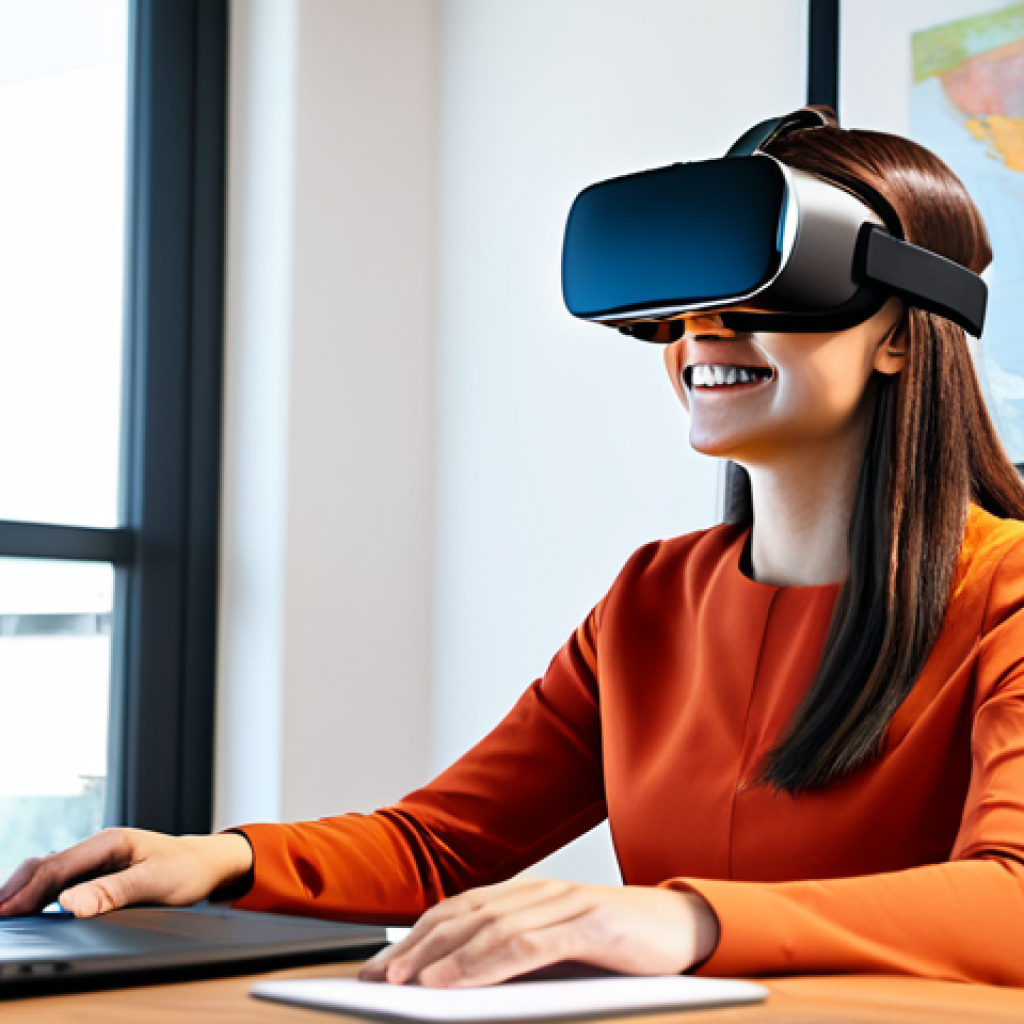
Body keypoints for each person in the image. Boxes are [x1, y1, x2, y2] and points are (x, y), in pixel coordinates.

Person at [3, 115, 1024, 990]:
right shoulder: (652, 599)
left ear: (900, 332)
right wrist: (219, 858)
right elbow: (442, 840)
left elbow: (1012, 896)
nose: (704, 329)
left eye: (770, 287)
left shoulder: (1006, 588)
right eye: (685, 297)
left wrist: (682, 922)